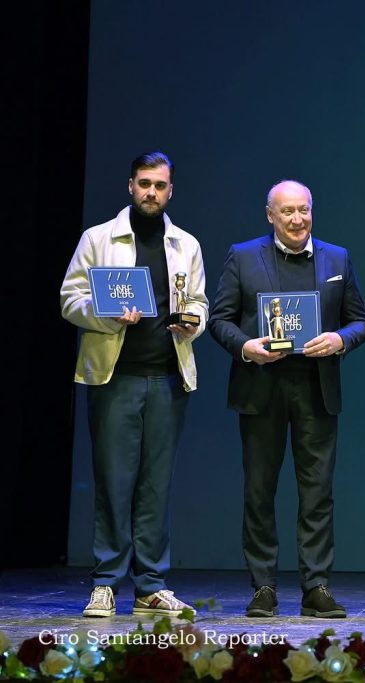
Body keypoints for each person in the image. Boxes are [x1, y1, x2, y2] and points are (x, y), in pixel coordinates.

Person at [209, 180, 365, 618]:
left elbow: (360, 321)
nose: (297, 219)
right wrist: (246, 347)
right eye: (287, 212)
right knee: (259, 490)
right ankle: (263, 586)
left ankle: (316, 586)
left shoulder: (337, 258)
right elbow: (220, 319)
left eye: (304, 210)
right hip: (261, 386)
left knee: (317, 492)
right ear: (270, 215)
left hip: (317, 388)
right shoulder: (243, 256)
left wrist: (340, 339)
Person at [60, 151, 207, 618]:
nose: (151, 192)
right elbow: (69, 299)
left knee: (155, 486)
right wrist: (105, 314)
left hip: (167, 378)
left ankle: (151, 585)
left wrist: (192, 322)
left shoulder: (185, 244)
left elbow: (199, 302)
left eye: (160, 185)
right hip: (115, 377)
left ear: (170, 191)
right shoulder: (98, 238)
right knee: (113, 482)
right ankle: (106, 583)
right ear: (130, 186)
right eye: (144, 183)